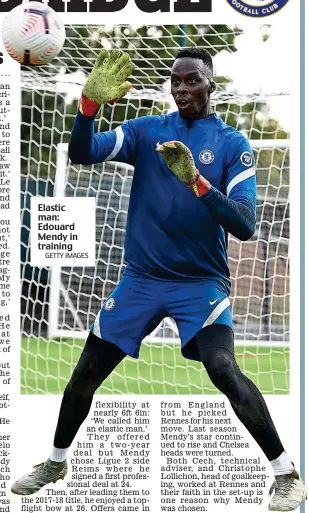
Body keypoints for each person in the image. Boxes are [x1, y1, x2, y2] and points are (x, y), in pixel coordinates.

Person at [12, 47, 306, 511]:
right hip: (141, 280)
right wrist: (88, 108)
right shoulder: (146, 131)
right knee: (84, 376)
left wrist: (198, 182)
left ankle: (286, 474)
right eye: (176, 81)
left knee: (223, 369)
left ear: (212, 85)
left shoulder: (232, 145)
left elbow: (246, 225)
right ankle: (55, 461)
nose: (182, 89)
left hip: (200, 284)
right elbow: (84, 152)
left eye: (192, 81)